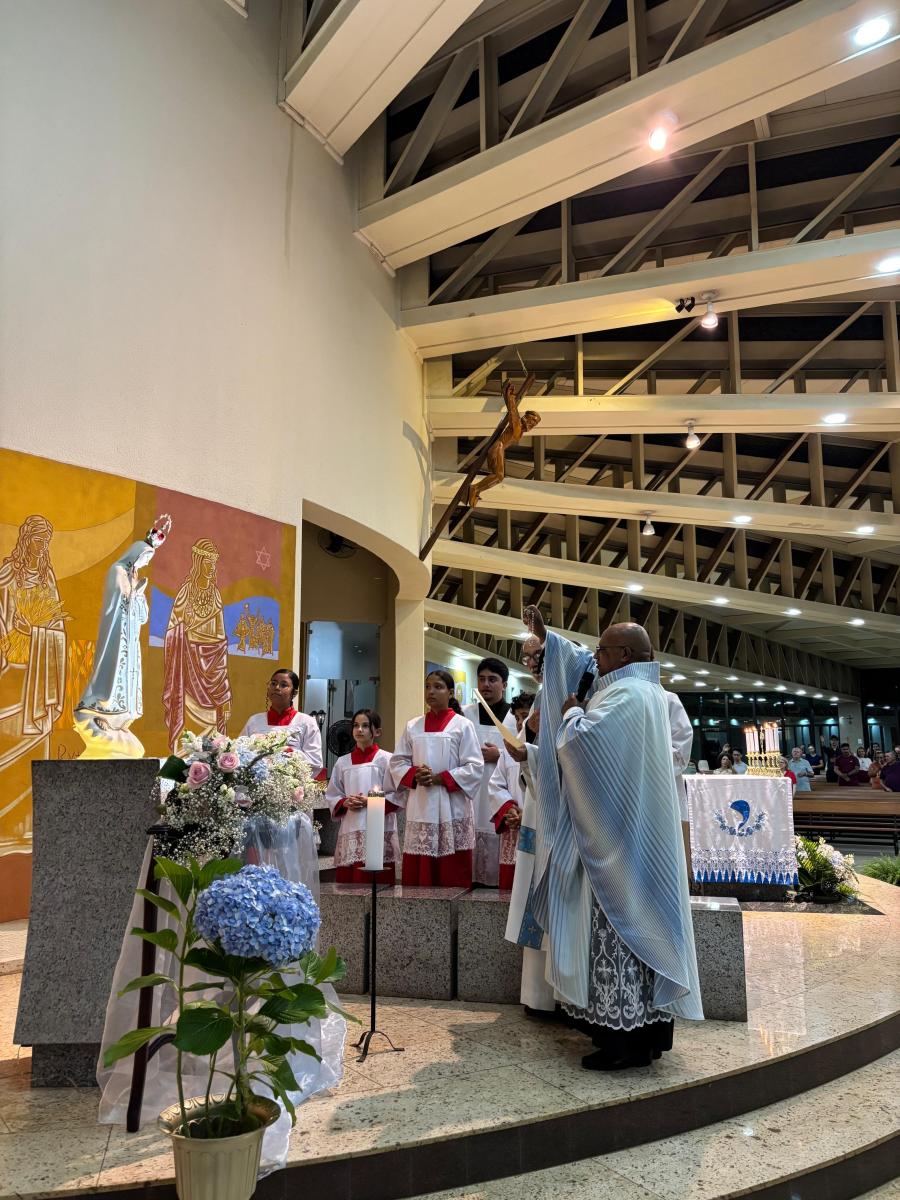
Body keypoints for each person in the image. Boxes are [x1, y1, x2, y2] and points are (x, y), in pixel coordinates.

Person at [551, 621, 703, 1070]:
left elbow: (584, 744)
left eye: (602, 650)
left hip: (623, 840)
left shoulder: (627, 695)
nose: (597, 658)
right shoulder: (650, 694)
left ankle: (623, 1044)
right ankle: (647, 1039)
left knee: (624, 928)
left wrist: (571, 714)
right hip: (644, 833)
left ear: (625, 655)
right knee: (647, 926)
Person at [389, 670, 483, 886]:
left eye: (438, 687)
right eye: (427, 686)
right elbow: (397, 762)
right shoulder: (413, 726)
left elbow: (475, 767)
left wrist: (441, 778)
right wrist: (415, 774)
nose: (430, 691)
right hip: (421, 805)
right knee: (420, 873)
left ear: (450, 692)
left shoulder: (462, 725)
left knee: (451, 874)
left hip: (452, 805)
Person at [163, 538, 232, 748]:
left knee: (211, 731)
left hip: (213, 666)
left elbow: (221, 639)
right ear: (198, 563)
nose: (211, 568)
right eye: (207, 563)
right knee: (188, 731)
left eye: (213, 564)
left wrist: (223, 689)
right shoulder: (186, 592)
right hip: (189, 665)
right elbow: (172, 630)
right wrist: (184, 631)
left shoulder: (215, 595)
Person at [325, 708, 398, 884]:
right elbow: (333, 794)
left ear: (377, 732)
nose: (359, 730)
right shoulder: (342, 762)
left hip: (378, 827)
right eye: (356, 725)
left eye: (365, 726)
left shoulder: (386, 760)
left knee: (376, 882)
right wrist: (345, 802)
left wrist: (371, 801)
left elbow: (397, 794)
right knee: (349, 882)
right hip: (351, 825)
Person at [463, 658, 519, 886]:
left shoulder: (515, 717)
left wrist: (501, 755)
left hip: (500, 790)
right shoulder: (465, 715)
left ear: (504, 685)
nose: (486, 684)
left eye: (492, 680)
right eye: (482, 679)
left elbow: (528, 751)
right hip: (472, 791)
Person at [240, 669, 323, 772]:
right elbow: (240, 754)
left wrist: (290, 753)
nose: (277, 688)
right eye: (273, 683)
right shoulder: (254, 721)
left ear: (294, 693)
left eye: (283, 685)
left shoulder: (307, 722)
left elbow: (315, 762)